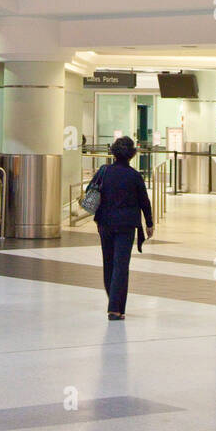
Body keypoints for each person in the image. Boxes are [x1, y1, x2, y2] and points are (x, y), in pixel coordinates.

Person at [86, 135, 153, 320]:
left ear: (114, 152)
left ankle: (113, 301)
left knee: (108, 263)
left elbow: (90, 191)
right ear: (131, 155)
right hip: (126, 225)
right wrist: (149, 223)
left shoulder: (104, 171)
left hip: (105, 223)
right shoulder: (134, 176)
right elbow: (144, 201)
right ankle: (115, 308)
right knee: (121, 265)